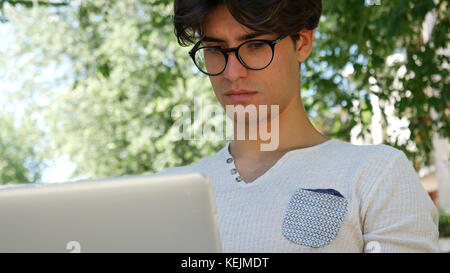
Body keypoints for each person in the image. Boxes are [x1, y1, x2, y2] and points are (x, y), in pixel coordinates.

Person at [156, 0, 439, 252]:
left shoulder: (376, 176)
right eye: (216, 49)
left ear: (302, 42)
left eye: (255, 45)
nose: (232, 72)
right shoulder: (170, 190)